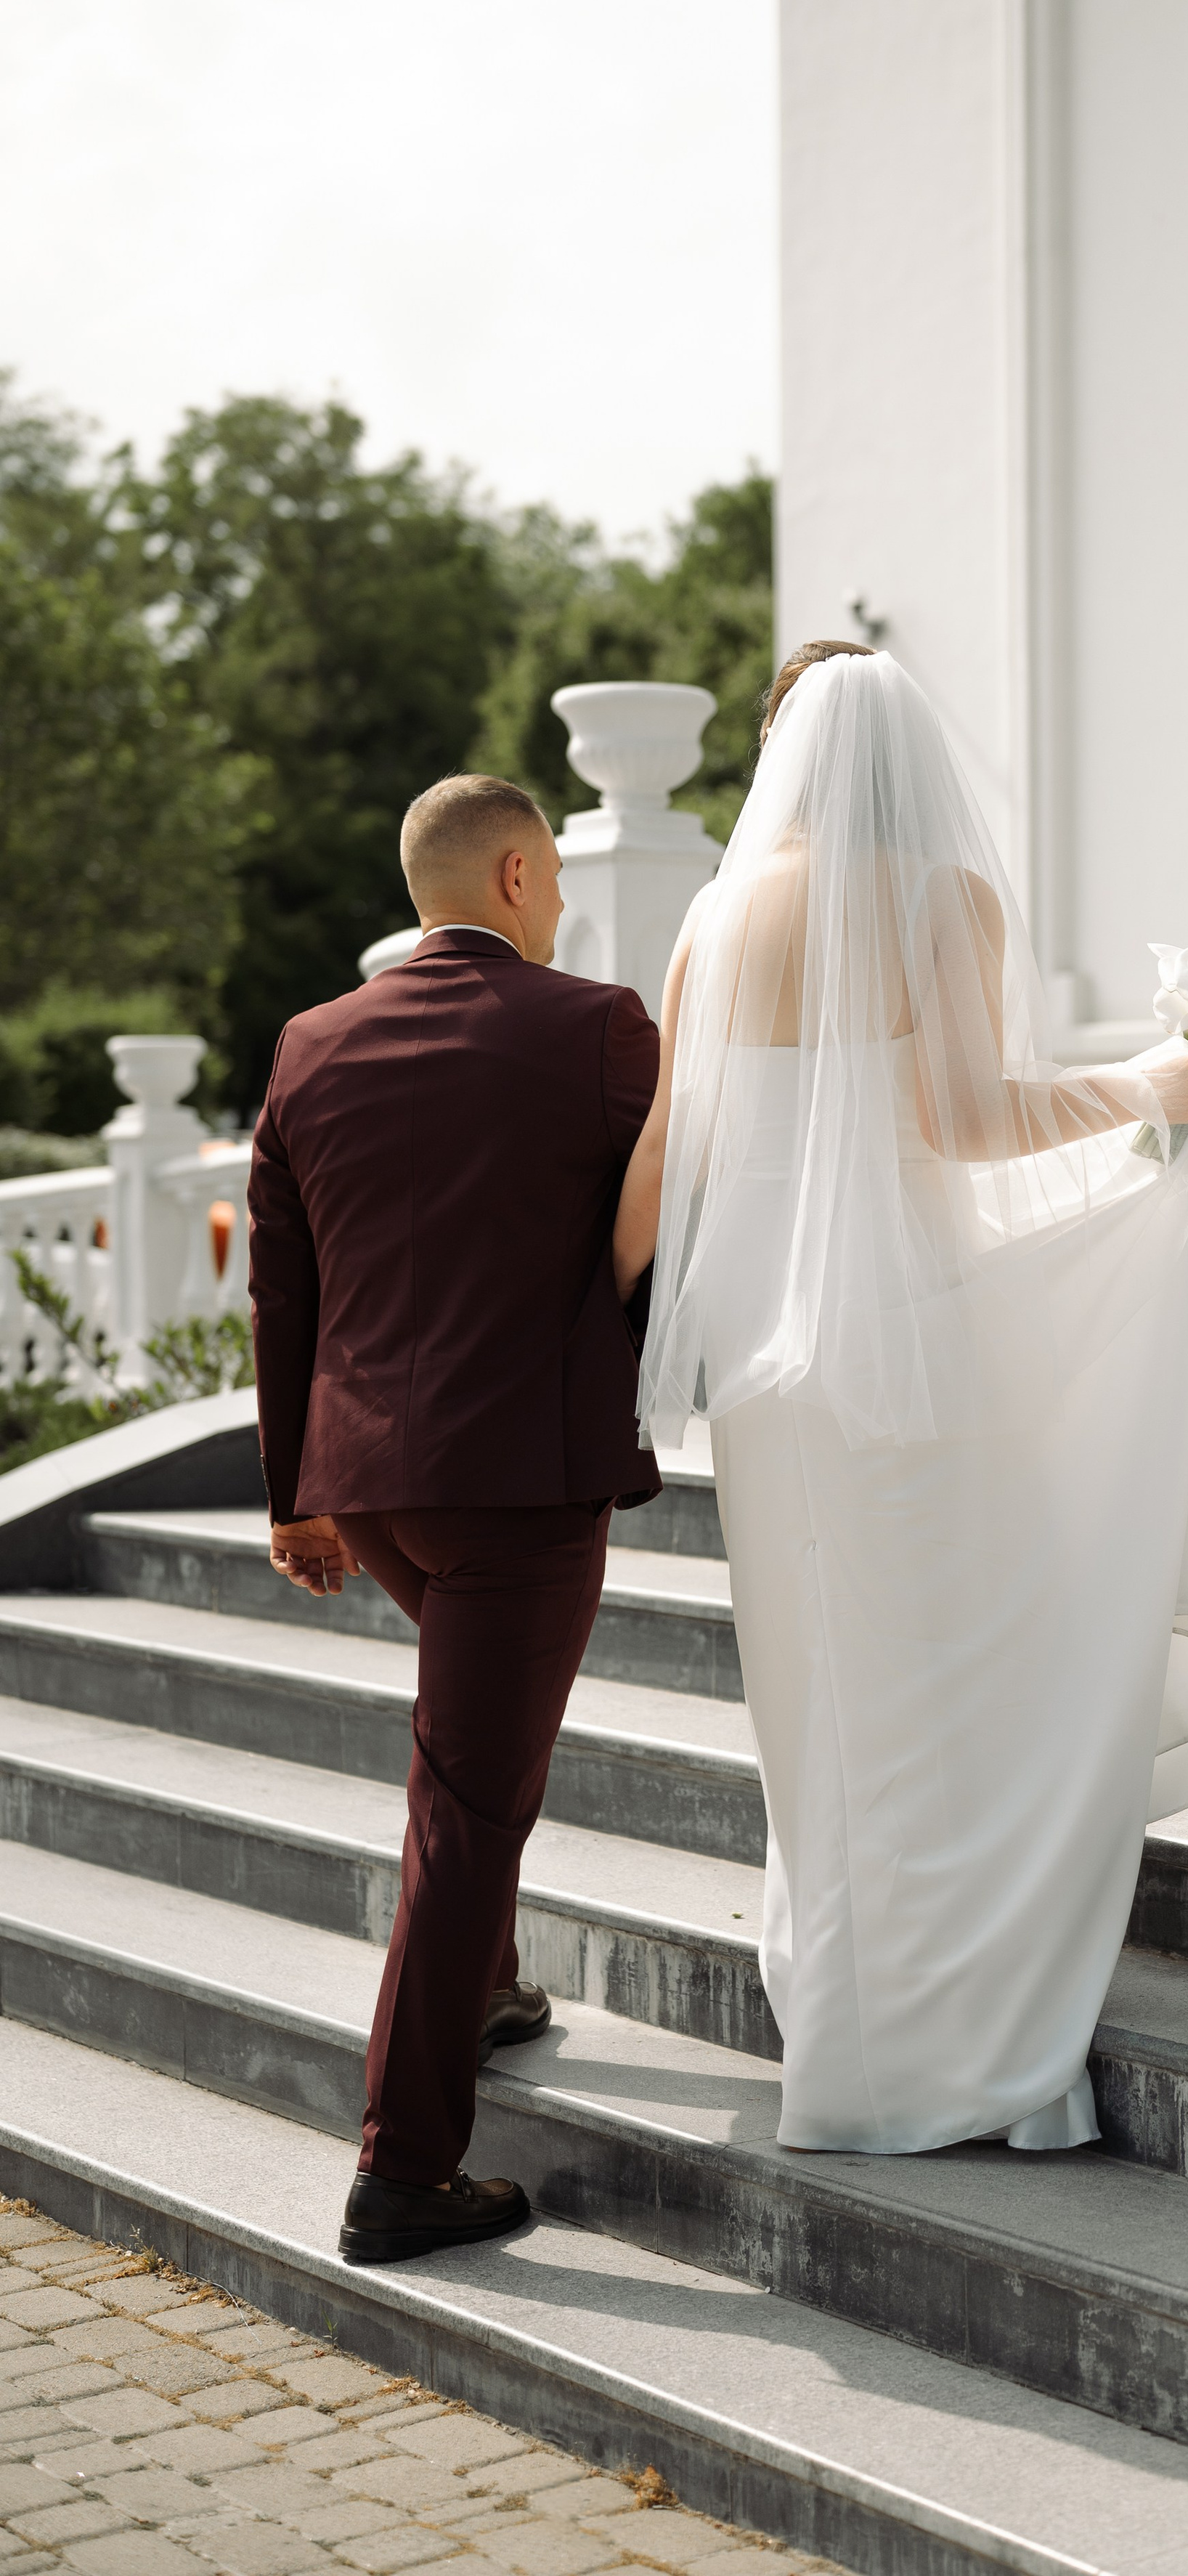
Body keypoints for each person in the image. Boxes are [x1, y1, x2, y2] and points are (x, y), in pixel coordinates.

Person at [616, 644, 1188, 2156]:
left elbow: (670, 1140)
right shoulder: (940, 899)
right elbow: (958, 1117)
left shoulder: (713, 912)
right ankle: (959, 2035)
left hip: (756, 1354)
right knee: (950, 1671)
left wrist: (595, 1330)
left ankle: (844, 2021)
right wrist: (1146, 1086)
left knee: (815, 1687)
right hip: (903, 1333)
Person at [248, 773, 660, 2261]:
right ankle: (404, 2167)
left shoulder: (310, 1042)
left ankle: (484, 1988)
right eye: (553, 882)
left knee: (469, 1764)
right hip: (521, 1487)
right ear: (516, 875)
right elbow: (666, 1229)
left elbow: (281, 1287)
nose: (558, 910)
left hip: (375, 1487)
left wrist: (296, 1496)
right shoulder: (599, 1027)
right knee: (468, 1807)